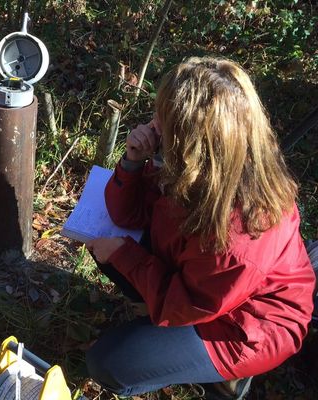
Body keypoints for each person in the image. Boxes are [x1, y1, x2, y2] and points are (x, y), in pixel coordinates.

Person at [85, 57, 315, 399]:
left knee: (107, 364)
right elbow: (126, 214)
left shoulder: (240, 233)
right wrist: (133, 161)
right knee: (107, 247)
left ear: (194, 139)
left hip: (243, 328)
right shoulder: (198, 170)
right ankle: (162, 332)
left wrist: (127, 256)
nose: (154, 124)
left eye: (165, 120)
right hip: (203, 284)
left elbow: (186, 303)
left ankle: (225, 380)